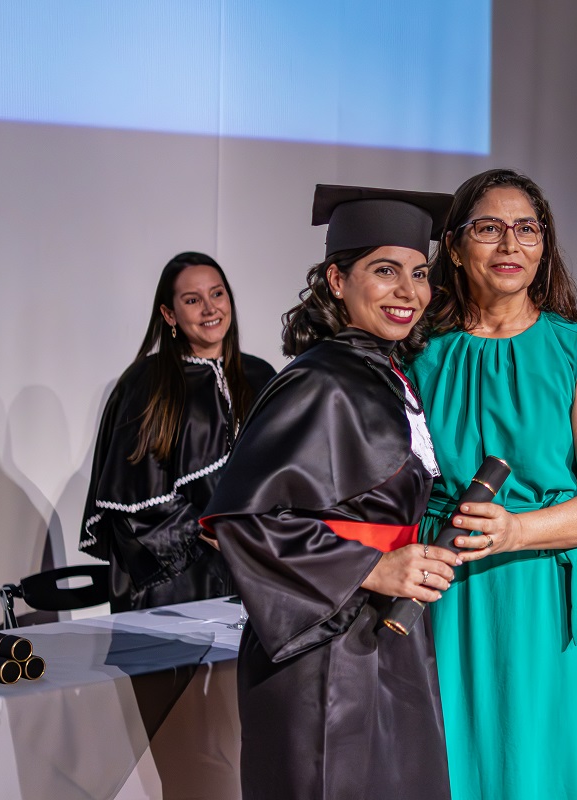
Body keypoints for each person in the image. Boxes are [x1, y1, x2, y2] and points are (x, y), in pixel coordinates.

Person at [200, 185, 458, 800]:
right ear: (336, 281)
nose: (408, 292)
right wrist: (373, 567)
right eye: (385, 271)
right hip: (324, 646)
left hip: (380, 633)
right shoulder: (320, 380)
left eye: (419, 274)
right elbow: (244, 520)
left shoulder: (382, 373)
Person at [406, 168, 577, 799]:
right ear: (454, 247)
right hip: (450, 591)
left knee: (557, 768)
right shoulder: (420, 353)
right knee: (462, 765)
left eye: (527, 229)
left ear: (545, 248)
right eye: (489, 228)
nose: (511, 244)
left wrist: (517, 529)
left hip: (552, 589)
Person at [79, 252, 275, 611]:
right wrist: (213, 530)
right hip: (174, 578)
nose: (209, 308)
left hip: (254, 570)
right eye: (192, 300)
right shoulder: (147, 384)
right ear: (169, 314)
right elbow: (134, 495)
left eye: (217, 294)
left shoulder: (261, 376)